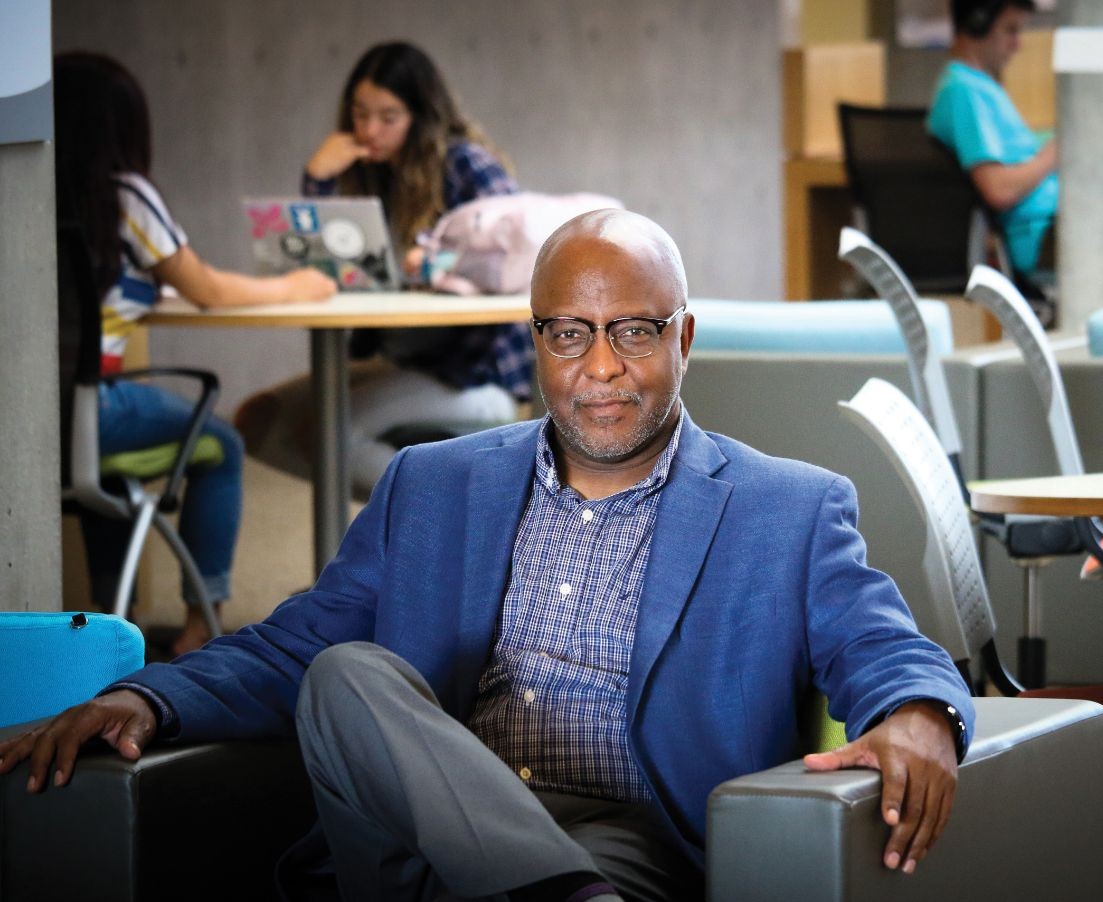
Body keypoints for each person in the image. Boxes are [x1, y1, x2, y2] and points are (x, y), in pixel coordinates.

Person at [1, 209, 973, 901]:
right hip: (417, 833)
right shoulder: (433, 482)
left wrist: (922, 711)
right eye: (570, 334)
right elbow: (291, 645)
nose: (601, 366)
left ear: (682, 335)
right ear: (536, 342)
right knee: (347, 670)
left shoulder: (787, 509)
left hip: (629, 845)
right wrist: (143, 696)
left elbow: (881, 643)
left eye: (633, 331)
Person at [53, 52, 338, 656]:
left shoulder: (31, 193)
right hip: (88, 409)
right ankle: (197, 628)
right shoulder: (122, 196)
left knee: (106, 470)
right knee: (222, 444)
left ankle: (111, 625)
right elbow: (205, 287)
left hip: (30, 421)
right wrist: (296, 286)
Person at [238, 40, 535, 498]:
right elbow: (326, 274)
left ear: (420, 117)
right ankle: (404, 521)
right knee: (260, 420)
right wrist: (318, 180)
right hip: (404, 360)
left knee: (331, 433)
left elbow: (518, 255)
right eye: (359, 113)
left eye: (387, 117)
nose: (369, 129)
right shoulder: (372, 174)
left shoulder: (464, 165)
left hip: (475, 373)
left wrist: (436, 266)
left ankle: (449, 516)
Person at [926, 0, 1057, 290]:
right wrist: (1053, 156)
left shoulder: (982, 87)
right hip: (1044, 235)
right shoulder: (963, 90)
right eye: (1010, 30)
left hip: (1056, 225)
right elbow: (998, 188)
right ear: (977, 24)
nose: (1017, 44)